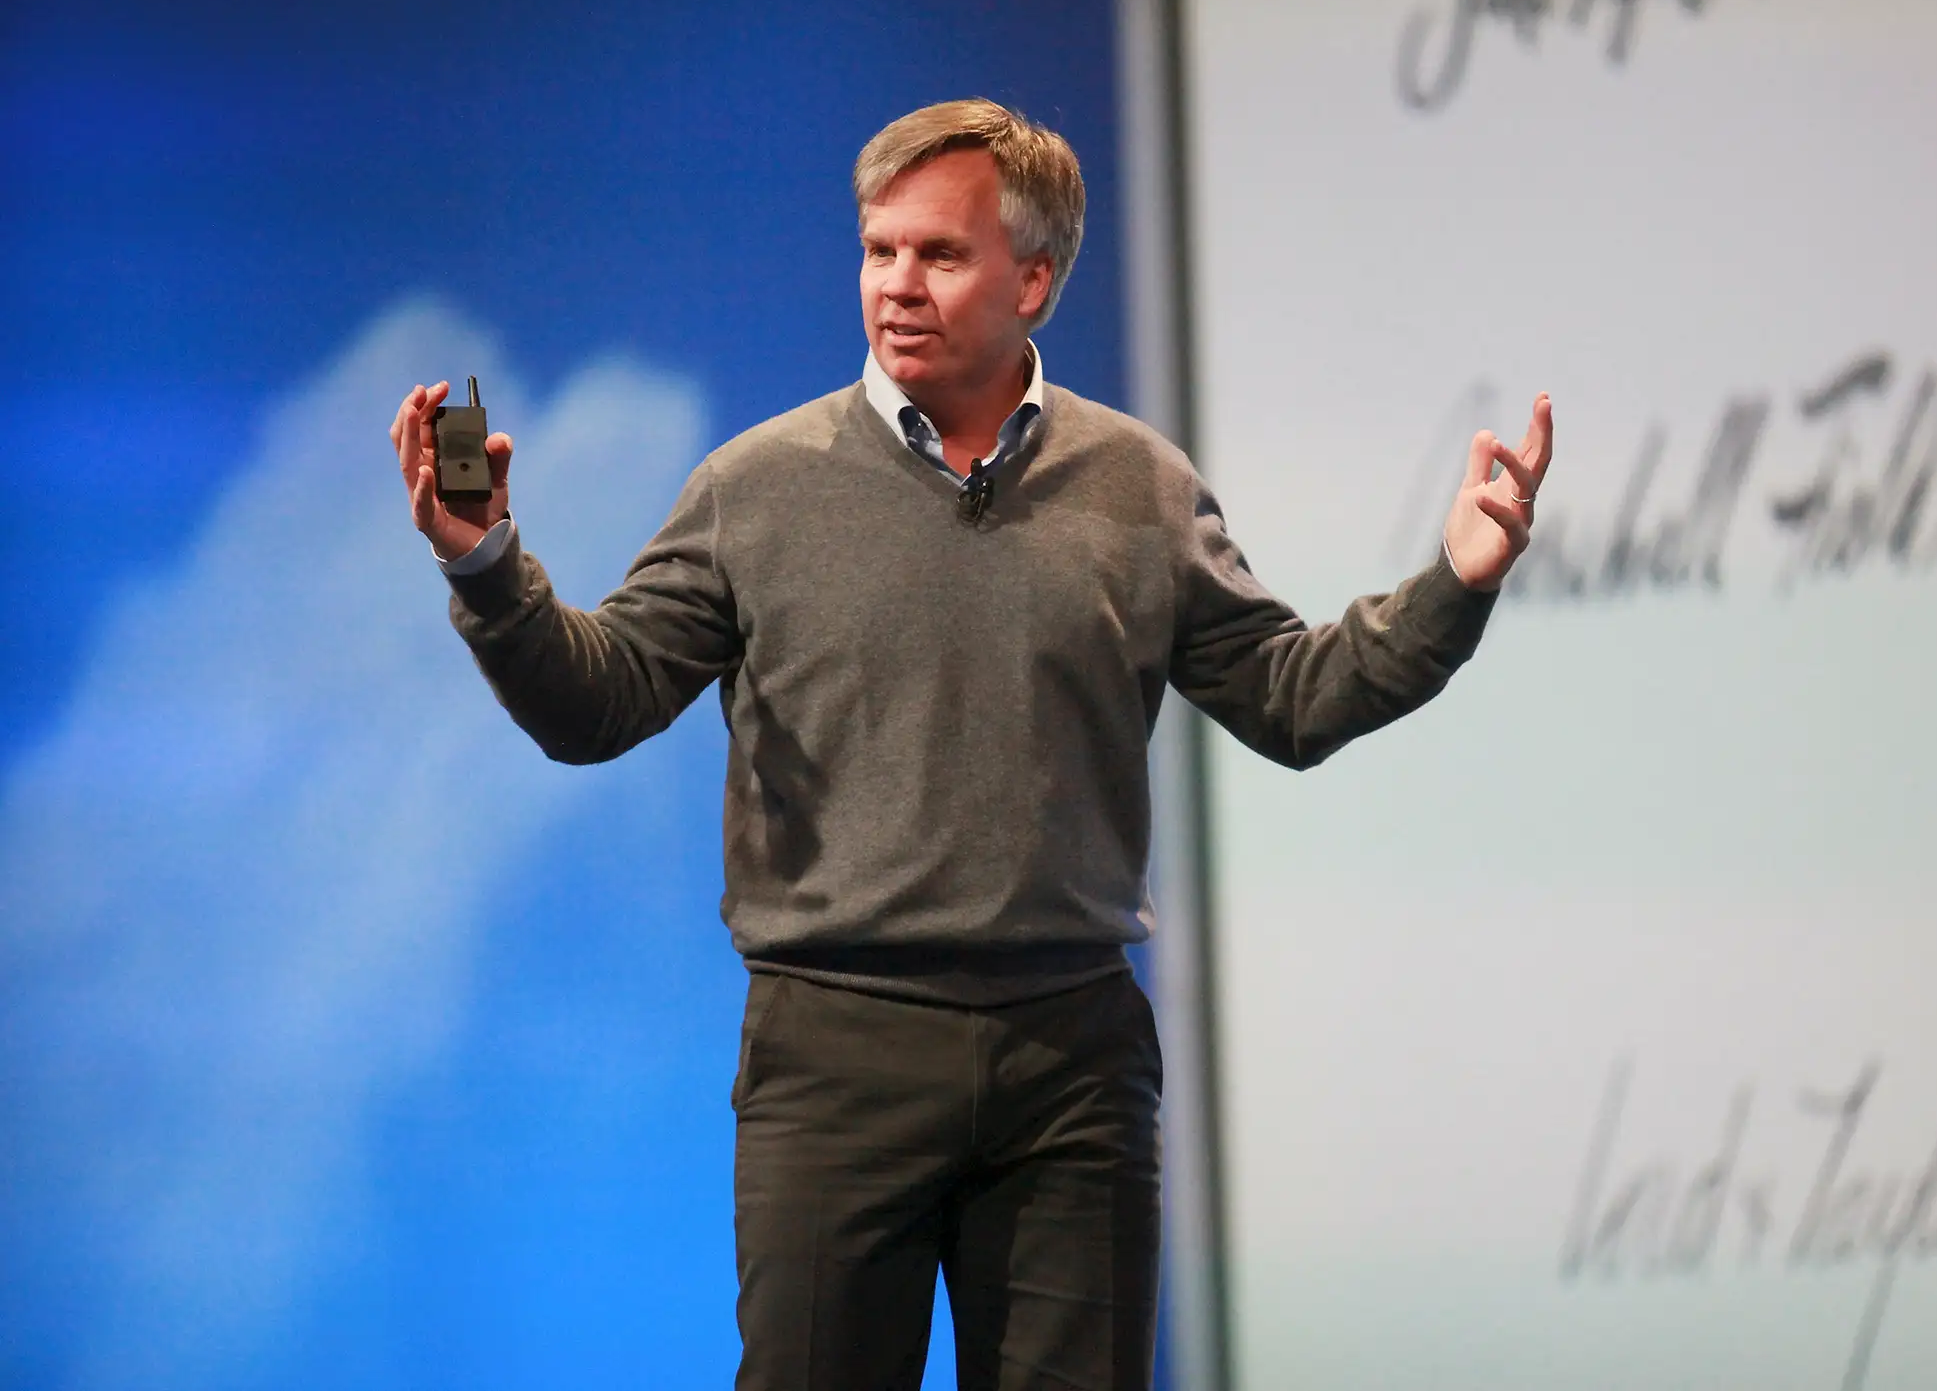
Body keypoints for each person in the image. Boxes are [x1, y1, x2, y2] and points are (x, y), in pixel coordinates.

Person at [388, 98, 1552, 1391]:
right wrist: (489, 565)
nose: (898, 284)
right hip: (836, 1056)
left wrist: (1455, 579)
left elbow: (1293, 697)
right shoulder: (755, 488)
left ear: (1035, 279)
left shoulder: (1140, 488)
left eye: (939, 255)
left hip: (1072, 1070)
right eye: (880, 250)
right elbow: (596, 706)